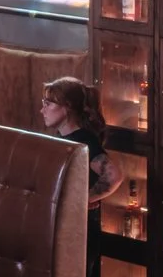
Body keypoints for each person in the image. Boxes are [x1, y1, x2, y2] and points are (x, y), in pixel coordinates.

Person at [41, 76, 123, 209]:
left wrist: (83, 200)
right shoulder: (64, 137)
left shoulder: (83, 142)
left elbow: (114, 176)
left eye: (48, 104)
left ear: (67, 107)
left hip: (81, 226)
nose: (42, 110)